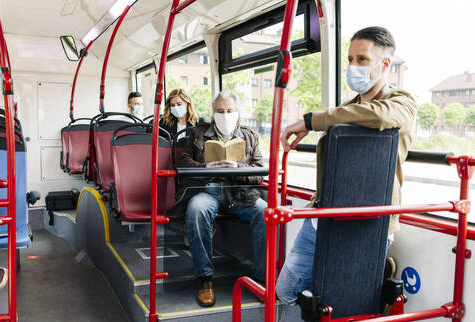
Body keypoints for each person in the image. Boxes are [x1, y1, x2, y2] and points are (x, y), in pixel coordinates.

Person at [276, 26, 417, 305]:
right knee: (286, 290)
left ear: (385, 63)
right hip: (323, 214)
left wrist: (310, 121)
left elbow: (379, 116)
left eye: (362, 60)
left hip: (368, 221)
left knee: (344, 298)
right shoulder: (347, 107)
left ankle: (375, 271)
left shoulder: (402, 102)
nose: (353, 66)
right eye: (350, 59)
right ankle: (375, 270)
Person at [178, 90, 267, 307]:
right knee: (196, 210)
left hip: (240, 193)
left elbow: (260, 170)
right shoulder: (197, 133)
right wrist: (204, 167)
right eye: (220, 111)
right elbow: (183, 163)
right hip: (209, 190)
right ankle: (205, 279)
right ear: (213, 112)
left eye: (229, 111)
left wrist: (238, 167)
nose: (225, 114)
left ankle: (262, 278)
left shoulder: (249, 135)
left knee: (265, 212)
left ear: (237, 113)